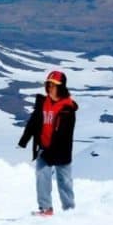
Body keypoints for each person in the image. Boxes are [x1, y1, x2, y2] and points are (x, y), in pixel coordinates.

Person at [18, 70, 79, 216]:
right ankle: (46, 209)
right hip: (44, 149)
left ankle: (69, 211)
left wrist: (53, 150)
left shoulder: (67, 108)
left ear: (61, 87)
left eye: (53, 85)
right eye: (48, 84)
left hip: (61, 151)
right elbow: (33, 122)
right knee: (41, 177)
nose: (49, 87)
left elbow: (64, 134)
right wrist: (24, 140)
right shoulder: (43, 103)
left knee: (64, 181)